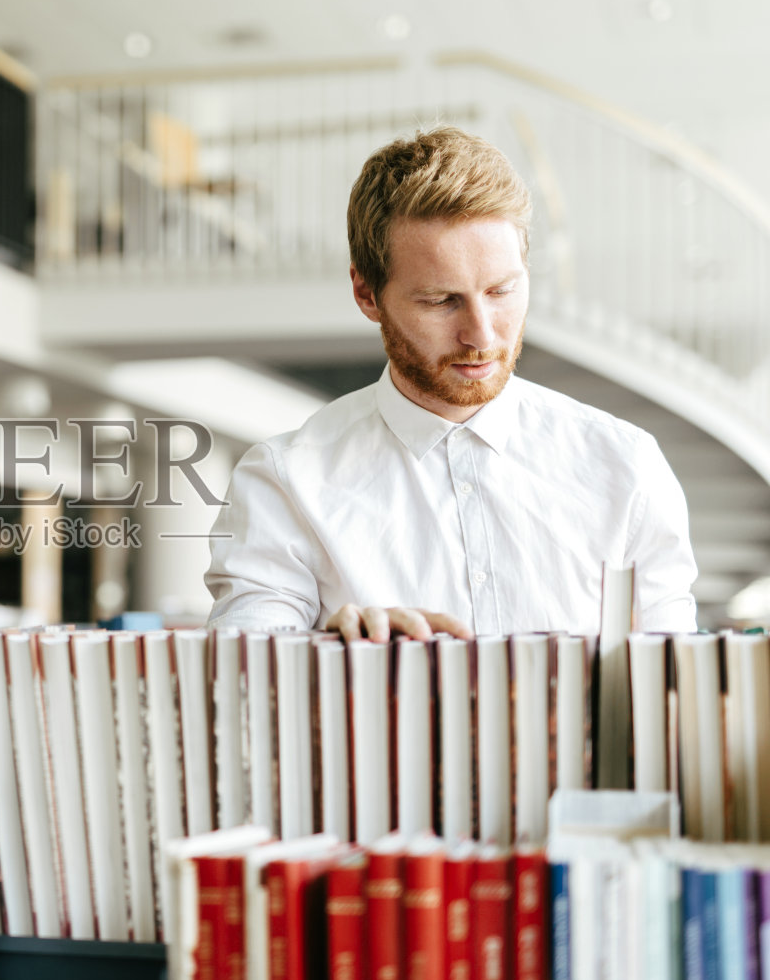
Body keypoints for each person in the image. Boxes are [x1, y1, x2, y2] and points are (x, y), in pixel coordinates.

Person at [204, 126, 698, 640]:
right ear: (366, 293)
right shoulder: (286, 481)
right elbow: (242, 678)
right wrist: (330, 656)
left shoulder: (627, 468)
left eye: (502, 290)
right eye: (441, 301)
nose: (481, 334)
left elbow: (675, 689)